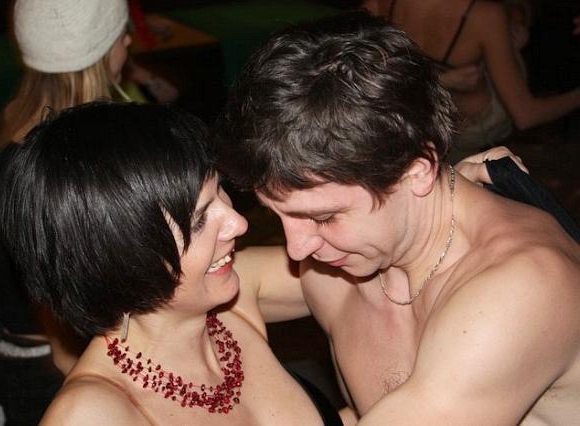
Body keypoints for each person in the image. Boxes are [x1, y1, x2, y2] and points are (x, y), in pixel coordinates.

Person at [214, 11, 580, 424]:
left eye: (324, 217)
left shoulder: (520, 290)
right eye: (277, 215)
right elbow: (200, 284)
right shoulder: (343, 264)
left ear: (416, 172)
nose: (297, 249)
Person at [0, 101, 346, 425]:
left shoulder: (236, 293)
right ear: (125, 262)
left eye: (220, 190)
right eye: (199, 220)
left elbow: (367, 265)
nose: (238, 223)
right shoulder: (92, 416)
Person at [0, 0, 133, 423]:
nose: (128, 41)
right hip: (55, 371)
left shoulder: (15, 125)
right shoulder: (48, 172)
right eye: (120, 33)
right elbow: (60, 331)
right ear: (97, 54)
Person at [363, 0, 580, 161]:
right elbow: (526, 115)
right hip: (471, 127)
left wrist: (441, 78)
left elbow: (365, 72)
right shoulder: (483, 15)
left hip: (415, 118)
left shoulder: (377, 4)